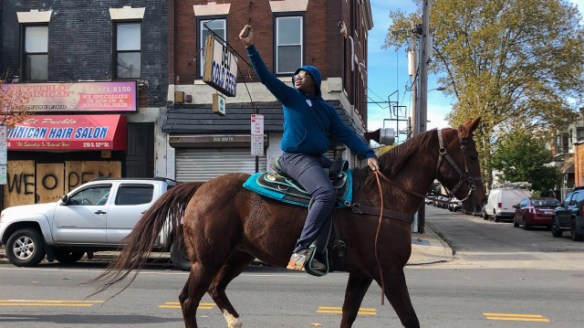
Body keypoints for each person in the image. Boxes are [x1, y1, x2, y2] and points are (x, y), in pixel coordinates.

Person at [239, 24, 380, 271]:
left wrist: (368, 154)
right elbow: (266, 78)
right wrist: (251, 47)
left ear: (313, 79)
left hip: (317, 159)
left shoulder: (327, 110)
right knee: (325, 193)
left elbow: (346, 133)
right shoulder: (292, 98)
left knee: (350, 182)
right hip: (296, 159)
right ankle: (301, 250)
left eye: (302, 75)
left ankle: (336, 243)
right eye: (295, 75)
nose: (296, 77)